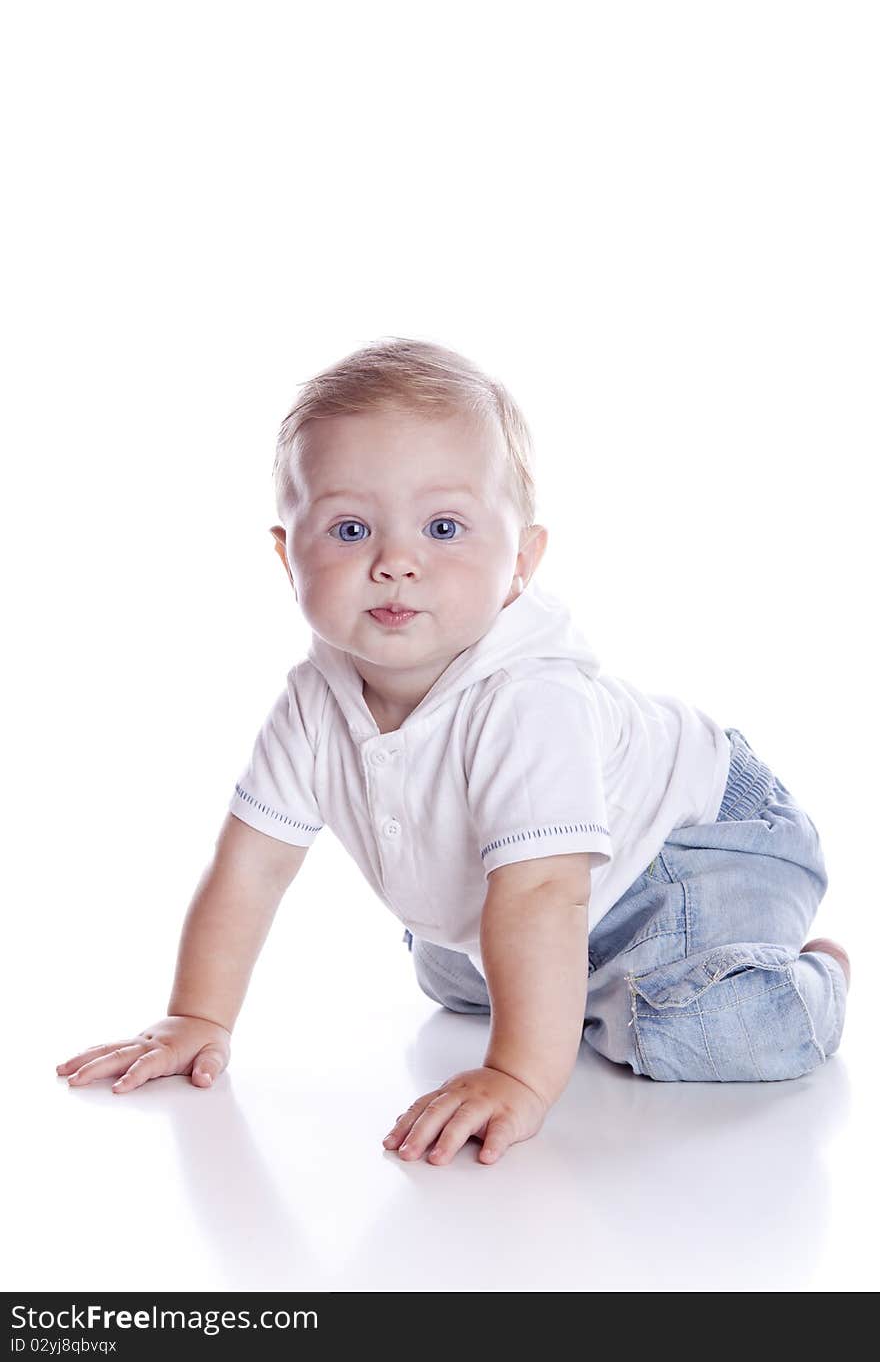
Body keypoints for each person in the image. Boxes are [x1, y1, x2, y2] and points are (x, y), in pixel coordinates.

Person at [56, 337, 850, 1166]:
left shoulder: (529, 696)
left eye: (443, 527)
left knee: (703, 1035)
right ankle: (593, 989)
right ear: (288, 556)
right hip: (551, 889)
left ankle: (803, 978)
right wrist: (197, 1017)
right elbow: (249, 867)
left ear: (521, 562)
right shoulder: (314, 699)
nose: (397, 562)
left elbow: (544, 892)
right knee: (456, 974)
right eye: (350, 527)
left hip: (700, 849)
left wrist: (517, 1075)